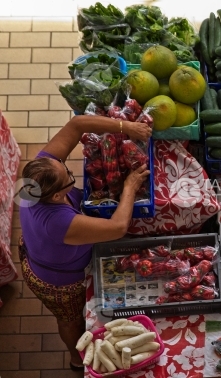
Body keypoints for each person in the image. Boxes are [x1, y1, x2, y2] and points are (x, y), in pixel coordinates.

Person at [17, 115, 151, 371]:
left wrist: (127, 127)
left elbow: (77, 124)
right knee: (69, 320)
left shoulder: (37, 174)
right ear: (57, 195)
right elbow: (117, 227)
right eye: (68, 175)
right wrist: (130, 188)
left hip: (39, 249)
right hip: (56, 281)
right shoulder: (57, 222)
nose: (68, 169)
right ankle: (75, 357)